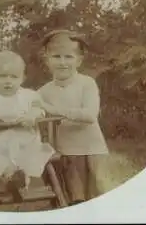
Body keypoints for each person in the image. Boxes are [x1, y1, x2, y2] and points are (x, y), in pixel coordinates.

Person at [0, 50, 55, 200]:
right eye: (2, 76)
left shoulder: (28, 96)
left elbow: (40, 108)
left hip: (24, 141)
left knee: (27, 157)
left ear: (22, 78)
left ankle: (17, 182)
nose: (8, 81)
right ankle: (5, 186)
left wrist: (32, 115)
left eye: (14, 77)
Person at [37, 29, 109, 206]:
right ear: (46, 59)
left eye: (68, 57)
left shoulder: (87, 84)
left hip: (92, 150)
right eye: (56, 57)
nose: (62, 62)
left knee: (100, 197)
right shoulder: (43, 92)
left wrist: (53, 109)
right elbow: (28, 108)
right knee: (71, 201)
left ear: (79, 60)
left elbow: (90, 115)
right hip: (65, 154)